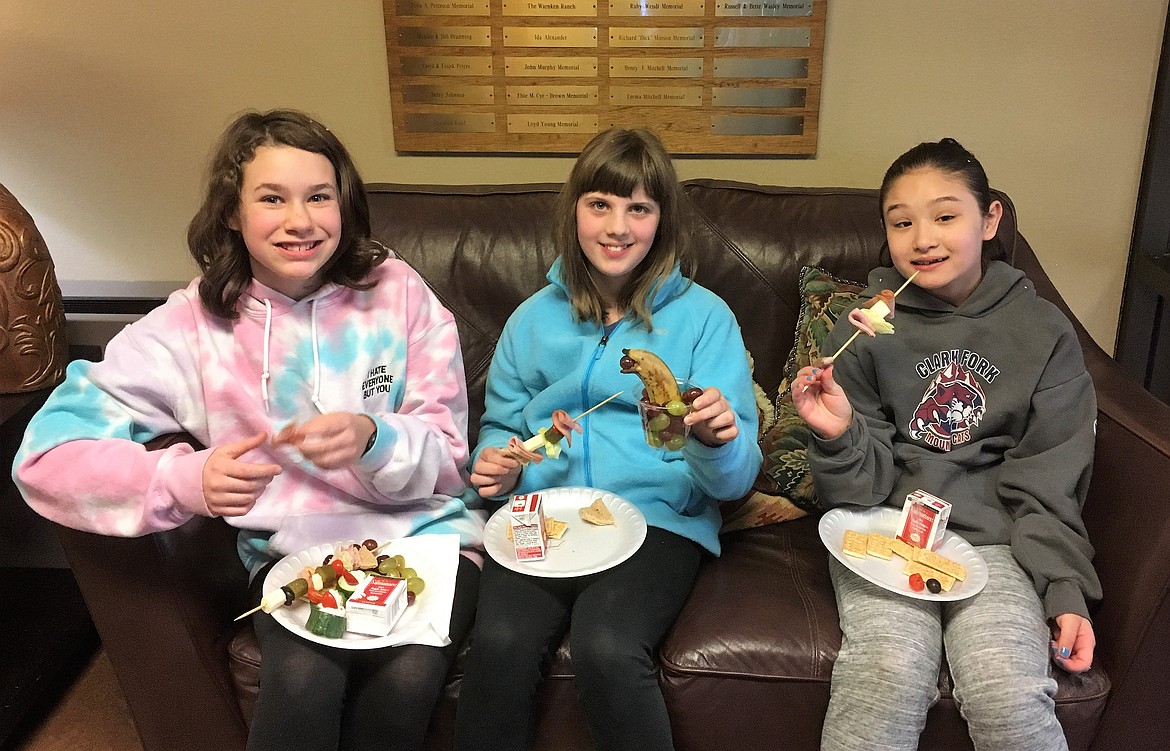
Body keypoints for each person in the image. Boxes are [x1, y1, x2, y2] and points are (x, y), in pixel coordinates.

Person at [12, 109, 484, 751]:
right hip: (293, 554)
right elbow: (45, 457)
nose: (301, 220)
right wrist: (181, 478)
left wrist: (376, 438)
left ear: (343, 205)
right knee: (301, 683)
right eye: (272, 198)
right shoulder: (190, 327)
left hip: (427, 538)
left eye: (320, 196)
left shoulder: (399, 293)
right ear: (232, 212)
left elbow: (451, 454)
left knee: (406, 681)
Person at [453, 127, 761, 751]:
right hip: (541, 515)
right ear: (575, 211)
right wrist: (498, 466)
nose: (618, 226)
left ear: (662, 221)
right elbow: (503, 428)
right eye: (601, 204)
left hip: (658, 520)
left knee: (608, 644)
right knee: (499, 644)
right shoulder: (531, 318)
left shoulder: (705, 319)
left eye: (638, 208)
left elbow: (733, 480)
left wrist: (716, 439)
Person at [793, 137, 1101, 751]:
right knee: (885, 671)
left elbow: (1051, 478)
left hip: (995, 542)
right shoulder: (862, 329)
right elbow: (859, 488)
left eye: (945, 215)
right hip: (884, 528)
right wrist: (837, 436)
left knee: (1008, 689)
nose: (922, 238)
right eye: (901, 222)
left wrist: (1065, 590)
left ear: (989, 220)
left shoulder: (1041, 331)